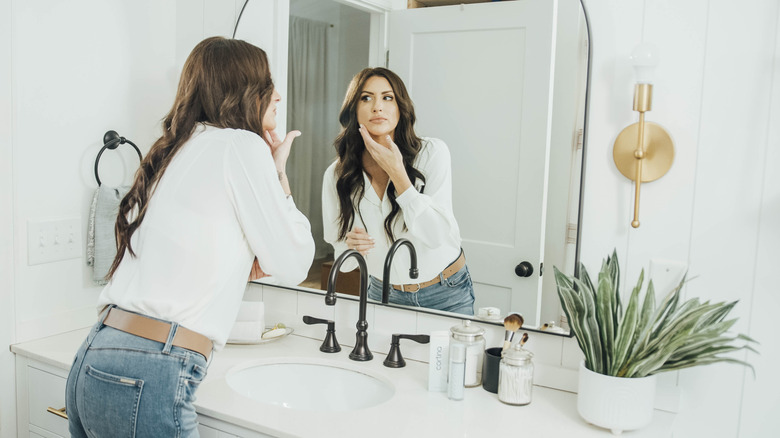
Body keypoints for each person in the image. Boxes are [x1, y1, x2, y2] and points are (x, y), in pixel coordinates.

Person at [65, 37, 315, 437]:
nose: (278, 95)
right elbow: (295, 263)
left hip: (94, 356)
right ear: (244, 90)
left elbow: (191, 247)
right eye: (268, 82)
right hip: (150, 370)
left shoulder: (175, 147)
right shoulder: (241, 145)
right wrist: (280, 176)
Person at [322, 67, 474, 315]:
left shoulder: (432, 154)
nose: (377, 107)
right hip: (382, 293)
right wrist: (351, 247)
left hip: (445, 291)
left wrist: (399, 175)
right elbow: (343, 257)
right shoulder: (338, 175)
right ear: (354, 110)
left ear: (400, 108)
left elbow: (435, 236)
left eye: (387, 97)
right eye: (366, 98)